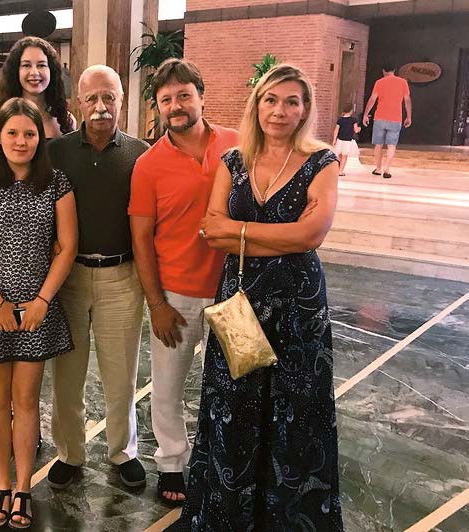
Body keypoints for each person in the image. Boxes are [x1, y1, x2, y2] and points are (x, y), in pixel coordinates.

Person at [173, 63, 343, 530]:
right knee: (235, 405)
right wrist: (281, 236)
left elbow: (312, 235)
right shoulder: (233, 161)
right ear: (257, 105)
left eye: (291, 102)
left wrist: (241, 232)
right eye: (271, 100)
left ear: (305, 109)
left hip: (298, 305)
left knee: (297, 410)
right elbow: (213, 232)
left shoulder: (322, 161)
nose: (279, 111)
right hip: (240, 302)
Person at [0, 97, 77, 530]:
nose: (21, 141)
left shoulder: (56, 182)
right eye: (12, 133)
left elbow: (68, 247)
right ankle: (2, 486)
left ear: (40, 138)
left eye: (29, 133)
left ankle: (23, 486)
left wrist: (41, 301)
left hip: (35, 310)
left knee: (26, 401)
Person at [128, 58, 237, 506]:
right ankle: (172, 462)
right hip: (176, 296)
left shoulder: (236, 144)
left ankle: (224, 458)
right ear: (157, 107)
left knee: (234, 382)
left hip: (234, 293)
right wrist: (156, 303)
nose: (176, 105)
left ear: (201, 97)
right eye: (166, 99)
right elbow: (140, 238)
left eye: (184, 96)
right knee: (168, 388)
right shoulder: (148, 164)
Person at [47, 65, 150, 490]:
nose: (101, 107)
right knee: (66, 373)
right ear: (78, 103)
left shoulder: (141, 153)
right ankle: (69, 453)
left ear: (122, 101)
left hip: (121, 276)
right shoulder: (56, 152)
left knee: (121, 372)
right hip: (68, 277)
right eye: (91, 98)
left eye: (109, 97)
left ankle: (122, 451)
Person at [0, 36, 75, 158]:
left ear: (52, 71)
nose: (34, 72)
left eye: (41, 65)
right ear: (16, 71)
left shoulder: (66, 119)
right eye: (26, 65)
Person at [363, 63, 411, 179]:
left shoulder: (379, 82)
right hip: (395, 118)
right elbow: (407, 100)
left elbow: (372, 99)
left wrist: (365, 114)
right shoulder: (403, 82)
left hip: (380, 117)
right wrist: (409, 116)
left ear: (384, 71)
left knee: (378, 145)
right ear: (394, 70)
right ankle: (387, 170)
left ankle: (378, 169)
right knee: (391, 145)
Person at [332, 103, 361, 176]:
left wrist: (334, 139)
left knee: (339, 155)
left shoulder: (340, 119)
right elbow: (356, 130)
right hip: (347, 141)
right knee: (344, 156)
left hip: (339, 140)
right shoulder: (353, 120)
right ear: (351, 110)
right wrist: (359, 129)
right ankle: (340, 171)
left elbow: (336, 130)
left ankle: (337, 169)